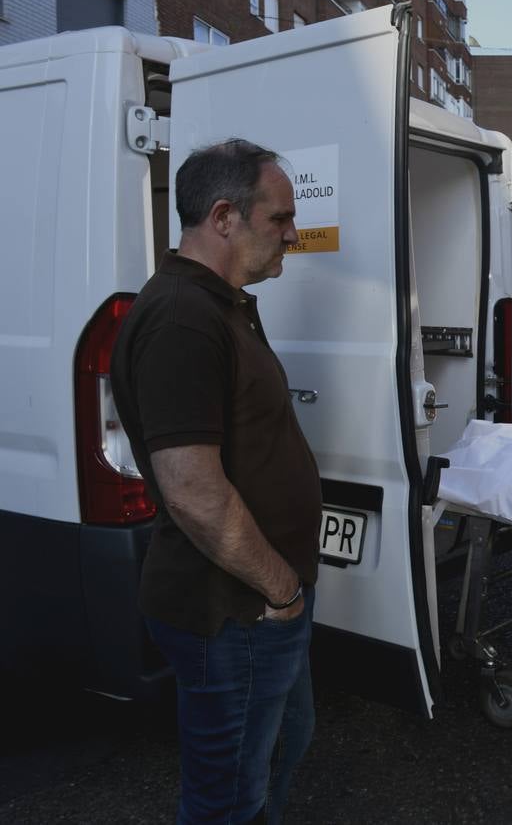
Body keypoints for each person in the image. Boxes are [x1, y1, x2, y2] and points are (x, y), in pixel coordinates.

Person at [111, 139, 320, 825]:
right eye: (280, 218)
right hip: (233, 610)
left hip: (257, 604)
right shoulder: (182, 318)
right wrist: (281, 589)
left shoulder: (220, 303)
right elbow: (193, 492)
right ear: (224, 217)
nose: (293, 234)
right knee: (226, 798)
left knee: (283, 744)